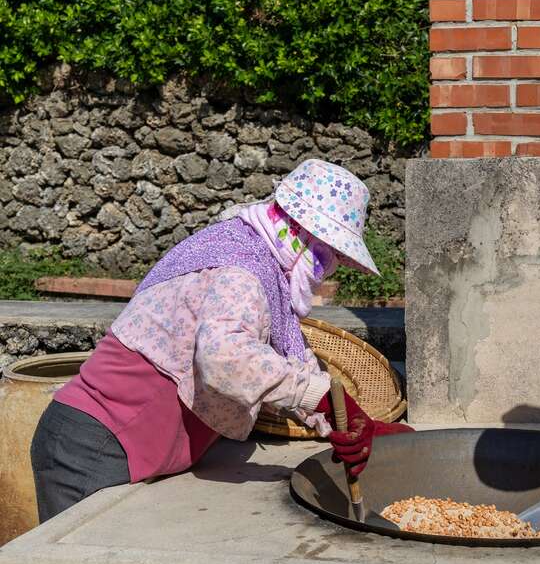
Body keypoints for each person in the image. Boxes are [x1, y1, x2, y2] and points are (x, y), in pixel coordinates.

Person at [30, 159, 412, 522]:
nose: (325, 269)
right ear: (303, 238)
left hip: (114, 444)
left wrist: (341, 420)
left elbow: (285, 356)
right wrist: (322, 399)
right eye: (326, 257)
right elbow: (226, 358)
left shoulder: (250, 256)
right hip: (95, 445)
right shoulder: (239, 269)